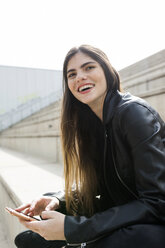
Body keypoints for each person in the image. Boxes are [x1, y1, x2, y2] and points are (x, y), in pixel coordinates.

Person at [14, 45, 165, 248]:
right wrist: (59, 200)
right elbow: (97, 187)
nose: (80, 77)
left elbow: (157, 203)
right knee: (27, 241)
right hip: (127, 217)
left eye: (89, 67)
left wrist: (74, 229)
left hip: (152, 226)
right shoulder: (92, 126)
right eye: (72, 74)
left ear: (107, 71)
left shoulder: (134, 114)